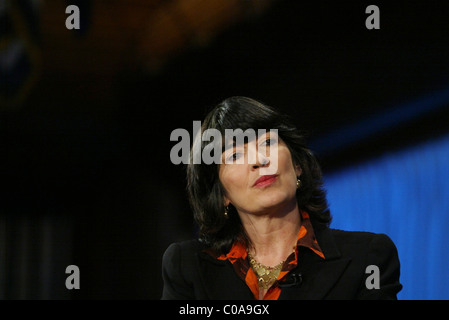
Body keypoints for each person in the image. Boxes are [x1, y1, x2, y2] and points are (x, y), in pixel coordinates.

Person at [162, 96, 402, 300]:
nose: (259, 160)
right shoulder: (187, 267)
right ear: (221, 194)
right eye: (235, 155)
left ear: (297, 165)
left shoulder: (368, 258)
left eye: (268, 142)